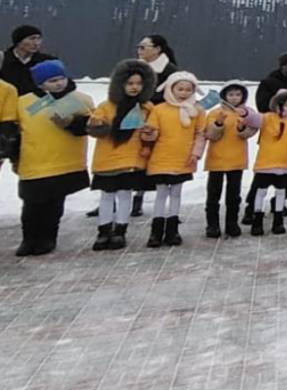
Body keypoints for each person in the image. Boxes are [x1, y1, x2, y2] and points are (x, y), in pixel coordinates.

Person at [4, 60, 92, 256]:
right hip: (34, 161)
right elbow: (15, 130)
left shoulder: (77, 99)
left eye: (61, 78)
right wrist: (13, 153)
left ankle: (48, 238)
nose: (59, 83)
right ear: (40, 84)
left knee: (54, 204)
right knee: (32, 204)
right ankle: (29, 239)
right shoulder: (23, 102)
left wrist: (71, 122)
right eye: (52, 81)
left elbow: (89, 125)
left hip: (63, 163)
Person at [85, 60, 156, 250]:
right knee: (107, 196)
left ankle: (120, 231)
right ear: (120, 84)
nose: (134, 87)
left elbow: (154, 131)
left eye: (139, 84)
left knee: (125, 195)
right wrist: (96, 126)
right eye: (130, 83)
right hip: (108, 158)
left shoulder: (146, 108)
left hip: (132, 158)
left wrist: (149, 135)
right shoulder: (106, 106)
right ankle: (103, 231)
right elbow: (95, 129)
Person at [245, 53, 287, 226]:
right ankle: (251, 207)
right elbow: (262, 105)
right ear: (283, 65)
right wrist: (283, 105)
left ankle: (279, 204)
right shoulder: (269, 82)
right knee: (263, 173)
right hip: (273, 131)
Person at [141, 71, 206, 248]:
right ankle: (156, 231)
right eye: (180, 89)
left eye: (188, 89)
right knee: (161, 194)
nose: (184, 93)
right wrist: (148, 135)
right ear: (171, 89)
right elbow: (152, 130)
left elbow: (200, 134)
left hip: (183, 158)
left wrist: (196, 153)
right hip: (161, 157)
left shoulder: (197, 111)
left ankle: (173, 230)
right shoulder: (159, 109)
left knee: (176, 193)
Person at [200, 82, 259, 239]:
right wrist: (218, 123)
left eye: (238, 95)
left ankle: (232, 224)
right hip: (216, 160)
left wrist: (241, 128)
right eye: (231, 94)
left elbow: (251, 131)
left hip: (236, 159)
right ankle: (212, 225)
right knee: (213, 194)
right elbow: (211, 135)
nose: (234, 98)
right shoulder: (214, 113)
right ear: (224, 96)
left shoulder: (246, 113)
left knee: (233, 195)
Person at [130, 33, 178, 218]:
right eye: (139, 47)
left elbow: (171, 95)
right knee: (129, 154)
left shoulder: (168, 70)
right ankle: (120, 196)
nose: (139, 50)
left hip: (155, 118)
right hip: (133, 115)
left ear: (157, 49)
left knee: (148, 155)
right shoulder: (134, 67)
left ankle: (138, 197)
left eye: (144, 47)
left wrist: (146, 101)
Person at [250, 88, 287, 236]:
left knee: (281, 192)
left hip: (285, 165)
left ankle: (278, 220)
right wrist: (244, 113)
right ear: (279, 105)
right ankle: (257, 219)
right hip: (265, 164)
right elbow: (253, 119)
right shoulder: (268, 117)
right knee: (260, 192)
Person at [1, 24, 56, 97]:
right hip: (7, 104)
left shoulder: (47, 61)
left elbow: (66, 85)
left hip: (37, 105)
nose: (36, 43)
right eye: (32, 39)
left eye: (39, 39)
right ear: (18, 41)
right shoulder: (3, 60)